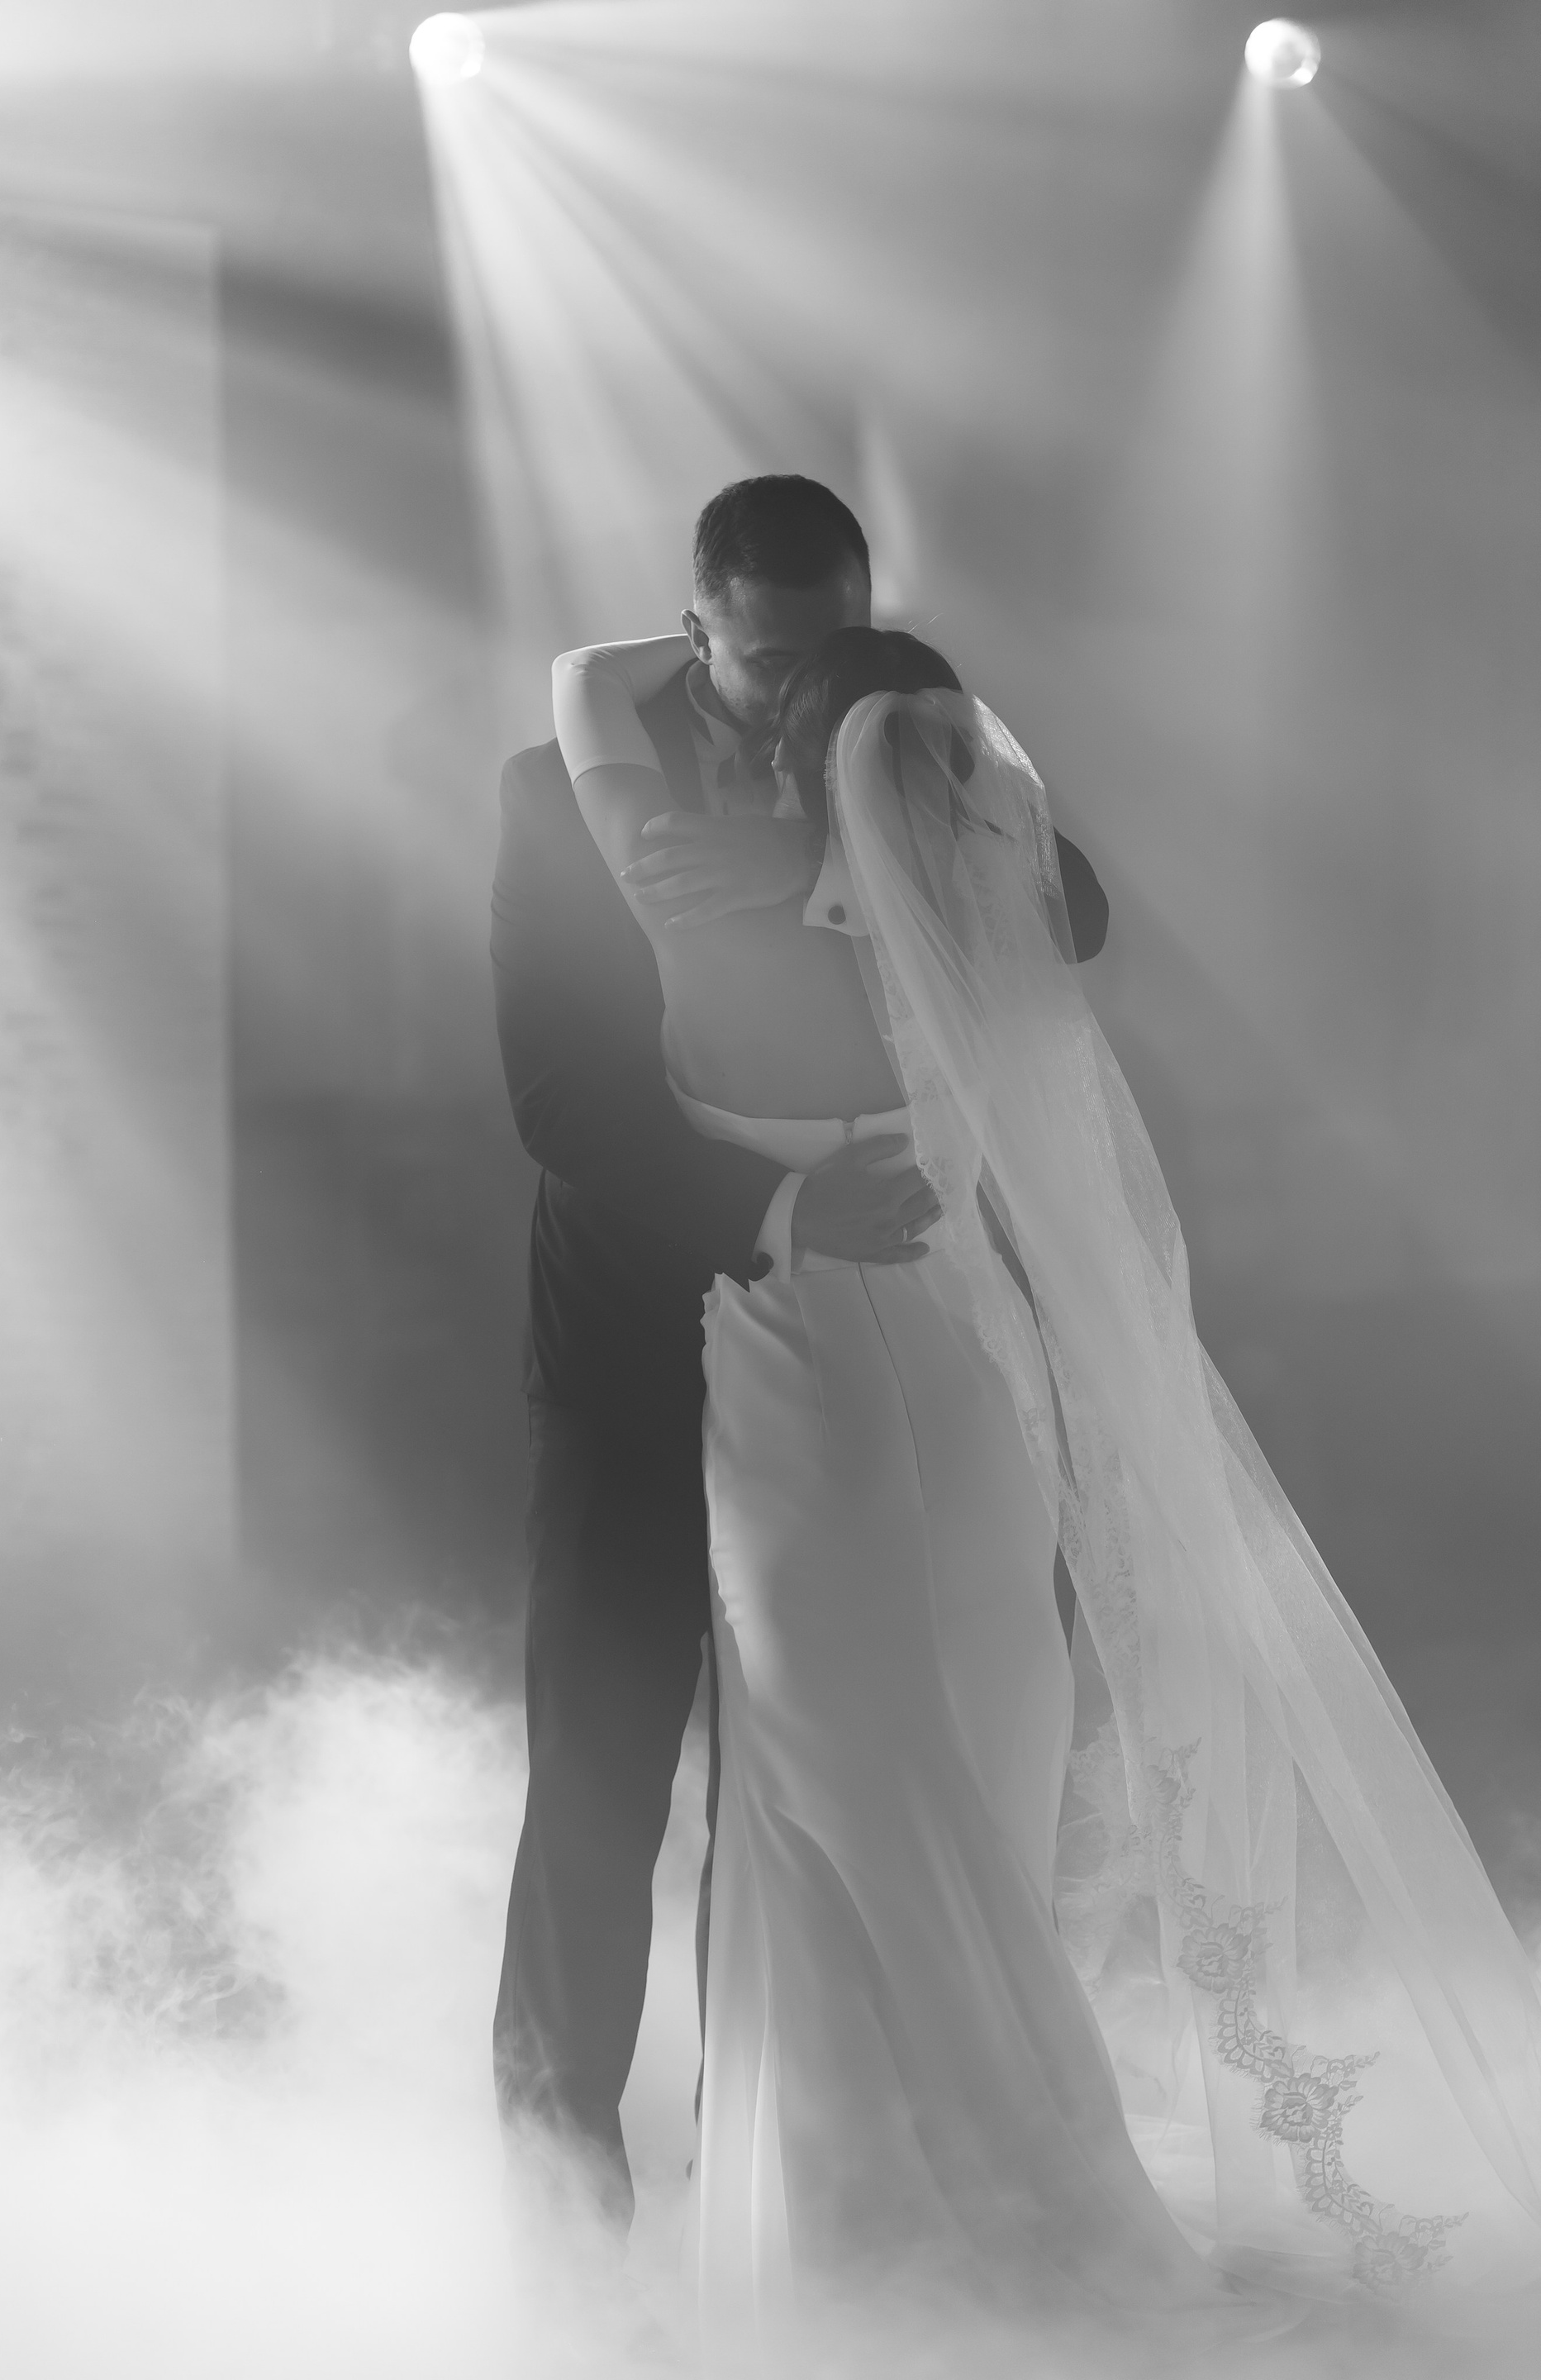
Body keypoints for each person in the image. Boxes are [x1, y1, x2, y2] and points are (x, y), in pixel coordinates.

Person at [554, 613, 1541, 2337]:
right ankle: (964, 2198)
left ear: (805, 755)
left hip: (810, 1353)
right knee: (966, 1749)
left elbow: (583, 690)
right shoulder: (984, 925)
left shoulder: (711, 919)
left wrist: (706, 637)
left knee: (839, 1782)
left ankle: (920, 2210)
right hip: (966, 1350)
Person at [489, 476, 1113, 2224]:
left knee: (826, 1752)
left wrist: (836, 856)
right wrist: (773, 1212)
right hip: (642, 1319)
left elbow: (1071, 913)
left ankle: (776, 2183)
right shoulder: (558, 792)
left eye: (831, 647)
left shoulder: (905, 750)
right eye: (766, 661)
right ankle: (560, 2200)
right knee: (604, 1759)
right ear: (695, 629)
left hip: (866, 1326)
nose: (799, 689)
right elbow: (559, 1096)